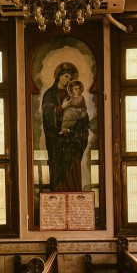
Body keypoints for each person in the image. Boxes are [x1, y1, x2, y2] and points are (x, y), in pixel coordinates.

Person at [42, 62, 90, 192]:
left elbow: (83, 115)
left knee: (73, 170)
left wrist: (79, 123)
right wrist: (61, 108)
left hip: (73, 141)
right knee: (58, 171)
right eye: (66, 76)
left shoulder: (74, 94)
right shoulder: (50, 94)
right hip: (57, 142)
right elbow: (47, 115)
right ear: (59, 76)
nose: (68, 80)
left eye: (70, 78)